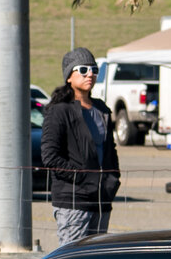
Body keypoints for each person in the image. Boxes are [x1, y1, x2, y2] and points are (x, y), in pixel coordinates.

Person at [40, 47, 120, 244]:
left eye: (94, 69)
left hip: (101, 200)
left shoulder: (102, 109)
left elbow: (111, 150)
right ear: (69, 76)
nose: (90, 74)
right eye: (83, 70)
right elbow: (50, 156)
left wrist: (112, 180)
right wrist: (83, 176)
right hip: (73, 201)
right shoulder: (59, 111)